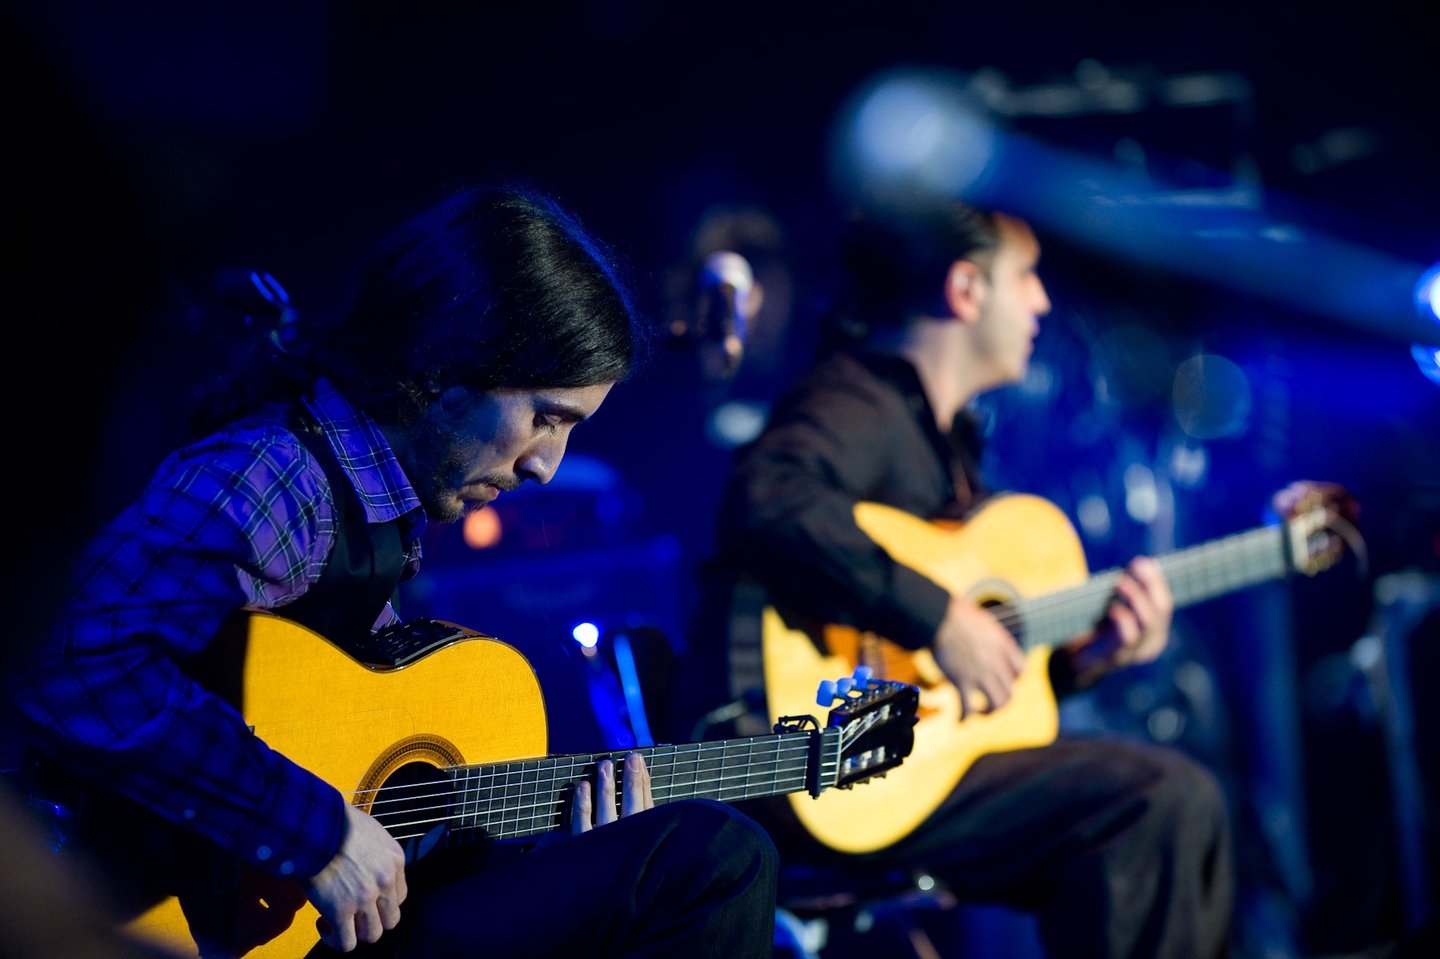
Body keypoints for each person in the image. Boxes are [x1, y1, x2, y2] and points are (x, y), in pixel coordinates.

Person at [4, 183, 778, 958]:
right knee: (712, 857)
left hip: (326, 927)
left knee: (664, 861)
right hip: (176, 921)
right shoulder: (277, 478)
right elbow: (74, 660)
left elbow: (357, 777)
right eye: (545, 416)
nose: (547, 464)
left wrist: (560, 848)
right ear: (445, 367)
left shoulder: (381, 509)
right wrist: (312, 828)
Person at [678, 197, 1354, 959]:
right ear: (965, 289)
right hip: (811, 761)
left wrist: (1078, 663)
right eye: (1026, 276)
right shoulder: (856, 399)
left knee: (1167, 796)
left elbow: (961, 685)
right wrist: (940, 618)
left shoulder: (951, 440)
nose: (1042, 300)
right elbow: (769, 496)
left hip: (896, 763)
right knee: (1153, 801)